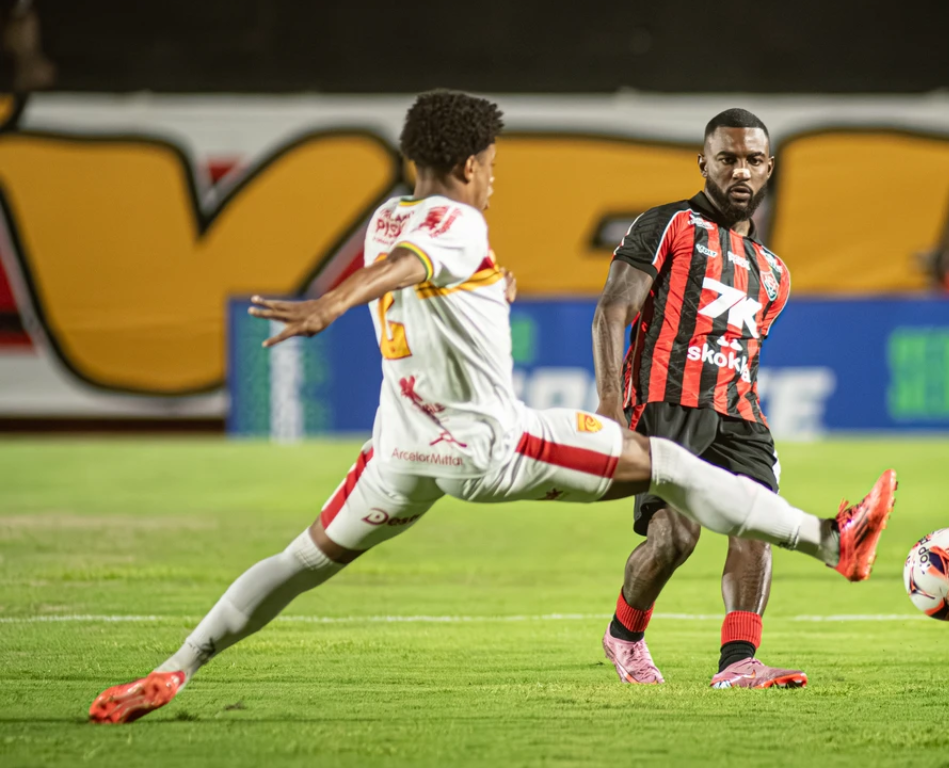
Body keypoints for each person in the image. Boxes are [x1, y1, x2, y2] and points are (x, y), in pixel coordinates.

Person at [88, 90, 896, 724]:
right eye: (493, 163)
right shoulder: (459, 224)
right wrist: (330, 303)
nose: (495, 176)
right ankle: (831, 541)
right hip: (488, 446)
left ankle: (174, 668)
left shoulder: (387, 217)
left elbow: (421, 272)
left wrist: (484, 295)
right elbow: (416, 265)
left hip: (397, 457)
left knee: (300, 563)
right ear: (470, 163)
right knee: (677, 470)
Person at [593, 109, 811, 689]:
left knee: (757, 523)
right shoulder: (669, 224)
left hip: (739, 412)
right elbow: (613, 310)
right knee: (676, 538)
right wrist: (611, 405)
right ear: (704, 163)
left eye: (753, 160)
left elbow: (744, 349)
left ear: (769, 167)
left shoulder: (774, 273)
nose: (741, 171)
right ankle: (624, 635)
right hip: (666, 404)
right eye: (727, 159)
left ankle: (739, 661)